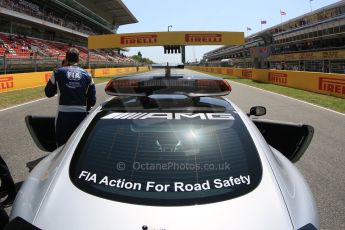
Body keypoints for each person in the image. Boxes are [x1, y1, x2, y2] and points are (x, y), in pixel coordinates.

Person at [45, 48, 96, 146]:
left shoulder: (58, 72)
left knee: (61, 147)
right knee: (78, 146)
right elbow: (92, 100)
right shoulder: (88, 75)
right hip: (81, 115)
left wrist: (61, 87)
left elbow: (48, 93)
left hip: (63, 116)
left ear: (66, 58)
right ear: (78, 59)